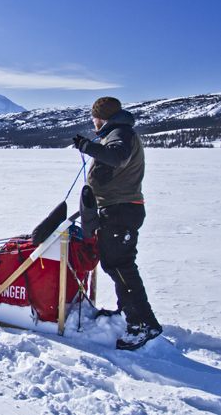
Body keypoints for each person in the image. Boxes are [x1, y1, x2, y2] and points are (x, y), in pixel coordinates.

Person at [73, 97, 162, 351]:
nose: (94, 122)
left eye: (95, 118)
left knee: (120, 265)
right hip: (116, 209)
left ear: (103, 117)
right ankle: (129, 313)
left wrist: (88, 146)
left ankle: (143, 324)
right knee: (116, 264)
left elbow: (117, 157)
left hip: (122, 210)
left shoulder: (120, 133)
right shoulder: (116, 132)